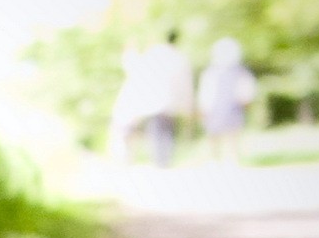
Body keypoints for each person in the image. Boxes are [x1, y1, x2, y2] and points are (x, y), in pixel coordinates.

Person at [110, 29, 195, 167]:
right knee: (166, 131)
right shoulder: (180, 58)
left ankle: (159, 161)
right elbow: (185, 85)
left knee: (157, 131)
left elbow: (138, 71)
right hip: (169, 103)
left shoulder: (155, 53)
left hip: (154, 102)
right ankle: (163, 162)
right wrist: (187, 105)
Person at [198, 36, 258, 162]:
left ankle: (224, 159)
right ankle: (222, 159)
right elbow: (246, 91)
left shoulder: (215, 72)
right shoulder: (235, 71)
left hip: (226, 107)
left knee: (222, 135)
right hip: (225, 107)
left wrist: (203, 107)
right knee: (224, 135)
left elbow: (206, 93)